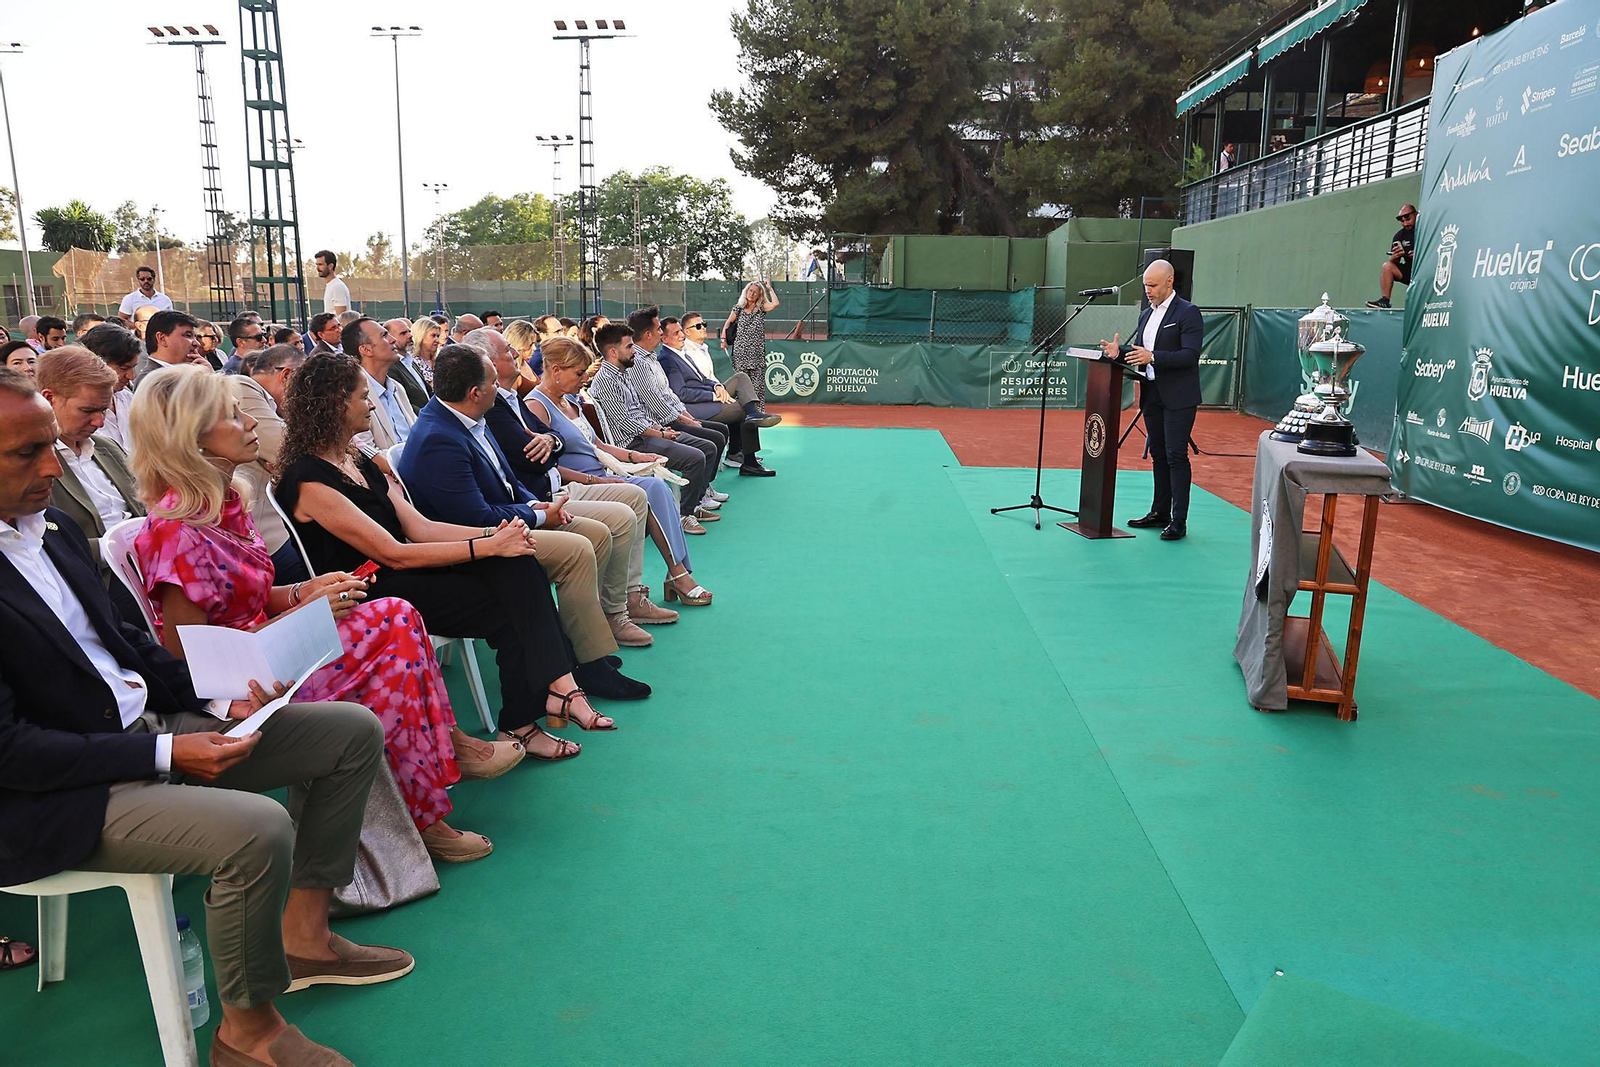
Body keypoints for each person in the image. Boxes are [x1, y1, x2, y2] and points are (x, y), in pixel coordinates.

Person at [0, 367, 407, 1067]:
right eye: (26, 452)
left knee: (348, 733)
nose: (53, 467)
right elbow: (10, 752)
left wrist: (219, 699)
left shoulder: (53, 528)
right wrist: (165, 754)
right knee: (257, 829)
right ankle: (247, 1032)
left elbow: (132, 649)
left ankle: (305, 936)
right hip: (61, 792)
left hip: (144, 731)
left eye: (50, 447)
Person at [128, 365, 511, 862]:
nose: (252, 421)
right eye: (234, 416)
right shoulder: (175, 530)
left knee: (397, 613)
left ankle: (439, 766)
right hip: (247, 686)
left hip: (273, 648)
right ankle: (425, 811)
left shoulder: (225, 501)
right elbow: (192, 662)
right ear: (192, 438)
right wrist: (301, 616)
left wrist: (303, 591)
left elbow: (249, 597)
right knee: (392, 629)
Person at [274, 352, 613, 754]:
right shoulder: (308, 480)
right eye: (363, 397)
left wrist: (499, 536)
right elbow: (394, 554)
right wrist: (488, 544)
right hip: (373, 592)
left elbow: (422, 528)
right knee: (513, 601)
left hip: (408, 574)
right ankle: (537, 710)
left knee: (516, 566)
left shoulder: (356, 459)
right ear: (335, 403)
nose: (371, 405)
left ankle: (548, 699)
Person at [398, 342, 653, 686]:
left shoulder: (466, 415)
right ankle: (590, 666)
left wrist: (536, 506)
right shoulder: (439, 438)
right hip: (475, 543)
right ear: (475, 392)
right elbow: (476, 519)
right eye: (493, 382)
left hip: (508, 518)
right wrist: (539, 516)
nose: (501, 388)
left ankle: (581, 645)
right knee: (577, 550)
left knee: (597, 534)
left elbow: (510, 480)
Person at [472, 327, 673, 640]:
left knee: (640, 494)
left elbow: (555, 441)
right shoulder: (506, 405)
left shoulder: (513, 400)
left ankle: (629, 599)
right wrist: (576, 469)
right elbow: (531, 458)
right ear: (488, 364)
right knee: (627, 507)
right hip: (545, 495)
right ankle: (611, 614)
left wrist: (551, 442)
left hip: (555, 489)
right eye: (507, 351)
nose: (516, 354)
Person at [530, 337, 713, 606]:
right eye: (579, 373)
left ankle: (676, 574)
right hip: (579, 485)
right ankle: (676, 575)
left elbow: (597, 445)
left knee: (658, 485)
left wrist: (636, 457)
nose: (585, 379)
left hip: (603, 475)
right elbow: (546, 467)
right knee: (653, 488)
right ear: (556, 370)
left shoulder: (569, 400)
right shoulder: (536, 406)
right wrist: (594, 479)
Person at [1099, 259, 1203, 542]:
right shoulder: (1146, 314)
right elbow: (1141, 354)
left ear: (1170, 282)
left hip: (1179, 396)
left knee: (1175, 455)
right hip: (1152, 393)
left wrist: (1154, 357)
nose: (1148, 290)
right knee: (1158, 453)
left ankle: (1179, 520)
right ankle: (1160, 513)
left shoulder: (1188, 312)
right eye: (1146, 285)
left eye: (1153, 285)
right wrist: (1118, 353)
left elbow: (1190, 355)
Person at [588, 323, 718, 534]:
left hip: (648, 435)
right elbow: (628, 424)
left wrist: (660, 428)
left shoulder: (623, 373)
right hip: (633, 443)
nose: (634, 351)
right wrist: (661, 433)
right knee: (696, 458)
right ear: (613, 352)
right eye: (629, 346)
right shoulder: (605, 381)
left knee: (709, 447)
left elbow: (639, 412)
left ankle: (694, 505)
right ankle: (684, 515)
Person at [38, 346, 144, 567]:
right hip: (97, 576)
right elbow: (43, 546)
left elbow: (145, 506)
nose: (99, 422)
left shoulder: (108, 447)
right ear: (49, 398)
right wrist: (116, 548)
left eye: (104, 410)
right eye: (87, 410)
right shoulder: (31, 465)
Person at [625, 307, 730, 518]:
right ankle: (689, 509)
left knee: (718, 435)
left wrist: (686, 416)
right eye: (659, 329)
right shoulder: (640, 363)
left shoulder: (650, 359)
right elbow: (654, 403)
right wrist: (682, 421)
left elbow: (668, 394)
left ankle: (700, 493)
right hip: (661, 425)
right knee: (708, 445)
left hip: (666, 421)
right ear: (648, 334)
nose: (661, 333)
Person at [662, 315, 780, 476]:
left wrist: (716, 386)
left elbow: (703, 379)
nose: (681, 335)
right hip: (691, 408)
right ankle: (747, 460)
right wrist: (714, 395)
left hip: (706, 396)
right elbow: (681, 393)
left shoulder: (683, 353)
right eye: (676, 333)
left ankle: (749, 426)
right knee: (742, 408)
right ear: (664, 338)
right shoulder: (669, 358)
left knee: (741, 381)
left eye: (704, 324)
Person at [234, 344, 310, 584]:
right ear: (287, 375)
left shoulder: (272, 405)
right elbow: (292, 451)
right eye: (306, 384)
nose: (308, 395)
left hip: (275, 530)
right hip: (265, 538)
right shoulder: (242, 386)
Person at [347, 316, 415, 453]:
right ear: (366, 349)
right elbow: (366, 453)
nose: (393, 339)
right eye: (384, 335)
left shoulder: (396, 387)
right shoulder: (351, 393)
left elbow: (417, 433)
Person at [79, 324, 142, 452]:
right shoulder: (73, 409)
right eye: (123, 368)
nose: (131, 376)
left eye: (133, 368)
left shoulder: (127, 398)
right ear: (95, 363)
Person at [721, 280, 780, 402]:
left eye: (755, 292)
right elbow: (728, 323)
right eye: (750, 290)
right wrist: (723, 339)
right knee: (741, 383)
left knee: (757, 384)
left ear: (759, 295)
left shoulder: (761, 308)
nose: (752, 294)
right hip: (740, 351)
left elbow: (775, 304)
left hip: (756, 352)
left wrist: (769, 288)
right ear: (746, 291)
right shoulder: (738, 308)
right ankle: (741, 409)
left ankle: (758, 410)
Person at [134, 309, 204, 386]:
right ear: (162, 338)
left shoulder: (185, 375)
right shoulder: (151, 380)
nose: (196, 343)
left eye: (195, 337)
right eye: (188, 335)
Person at [1367, 204, 1417, 309]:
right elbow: (1394, 261)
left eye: (1408, 218)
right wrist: (1394, 257)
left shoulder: (1426, 231)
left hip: (1427, 270)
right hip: (1411, 272)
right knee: (1387, 266)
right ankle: (1385, 301)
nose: (1405, 223)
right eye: (1402, 220)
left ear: (1416, 214)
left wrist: (1418, 255)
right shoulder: (1399, 236)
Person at [383, 317, 431, 410]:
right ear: (389, 338)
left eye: (409, 331)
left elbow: (427, 392)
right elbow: (403, 403)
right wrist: (427, 416)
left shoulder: (410, 361)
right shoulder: (390, 366)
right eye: (403, 333)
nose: (410, 335)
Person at [409, 315, 444, 388]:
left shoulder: (441, 359)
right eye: (433, 336)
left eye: (438, 336)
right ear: (421, 336)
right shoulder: (411, 362)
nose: (437, 340)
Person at [315, 250, 350, 314]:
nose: (317, 268)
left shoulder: (336, 286)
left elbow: (342, 316)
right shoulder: (331, 285)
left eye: (320, 264)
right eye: (317, 264)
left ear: (330, 266)